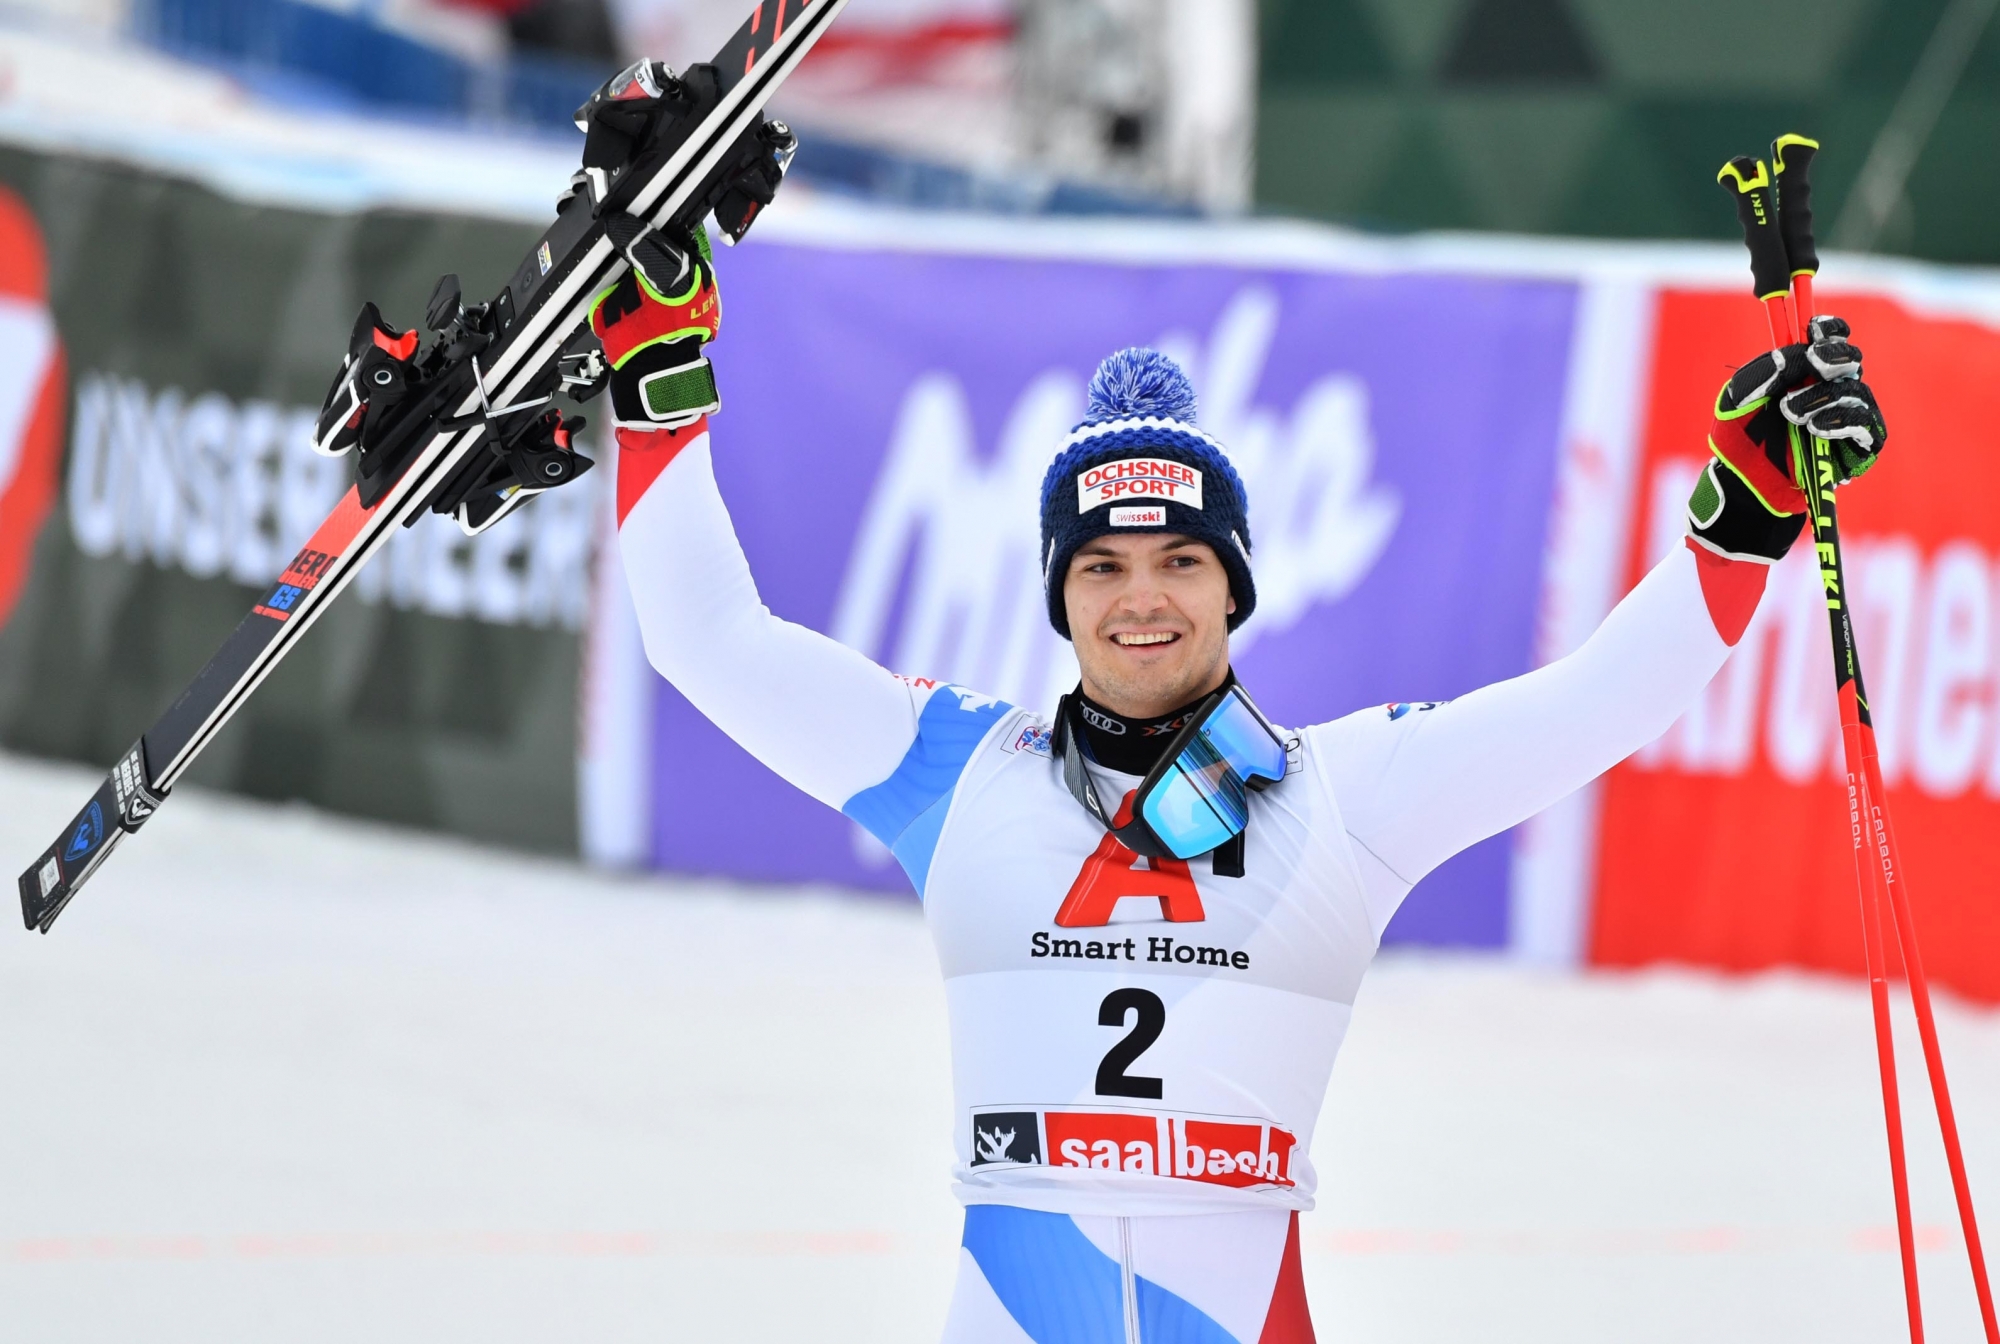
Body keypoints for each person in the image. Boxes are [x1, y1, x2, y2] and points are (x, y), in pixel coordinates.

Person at [594, 216, 1886, 1342]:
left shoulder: (1343, 802)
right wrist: (657, 399)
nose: (1141, 598)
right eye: (1100, 565)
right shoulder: (963, 776)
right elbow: (709, 641)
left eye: (1181, 562)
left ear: (1235, 585)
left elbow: (1594, 705)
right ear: (1059, 595)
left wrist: (1748, 515)